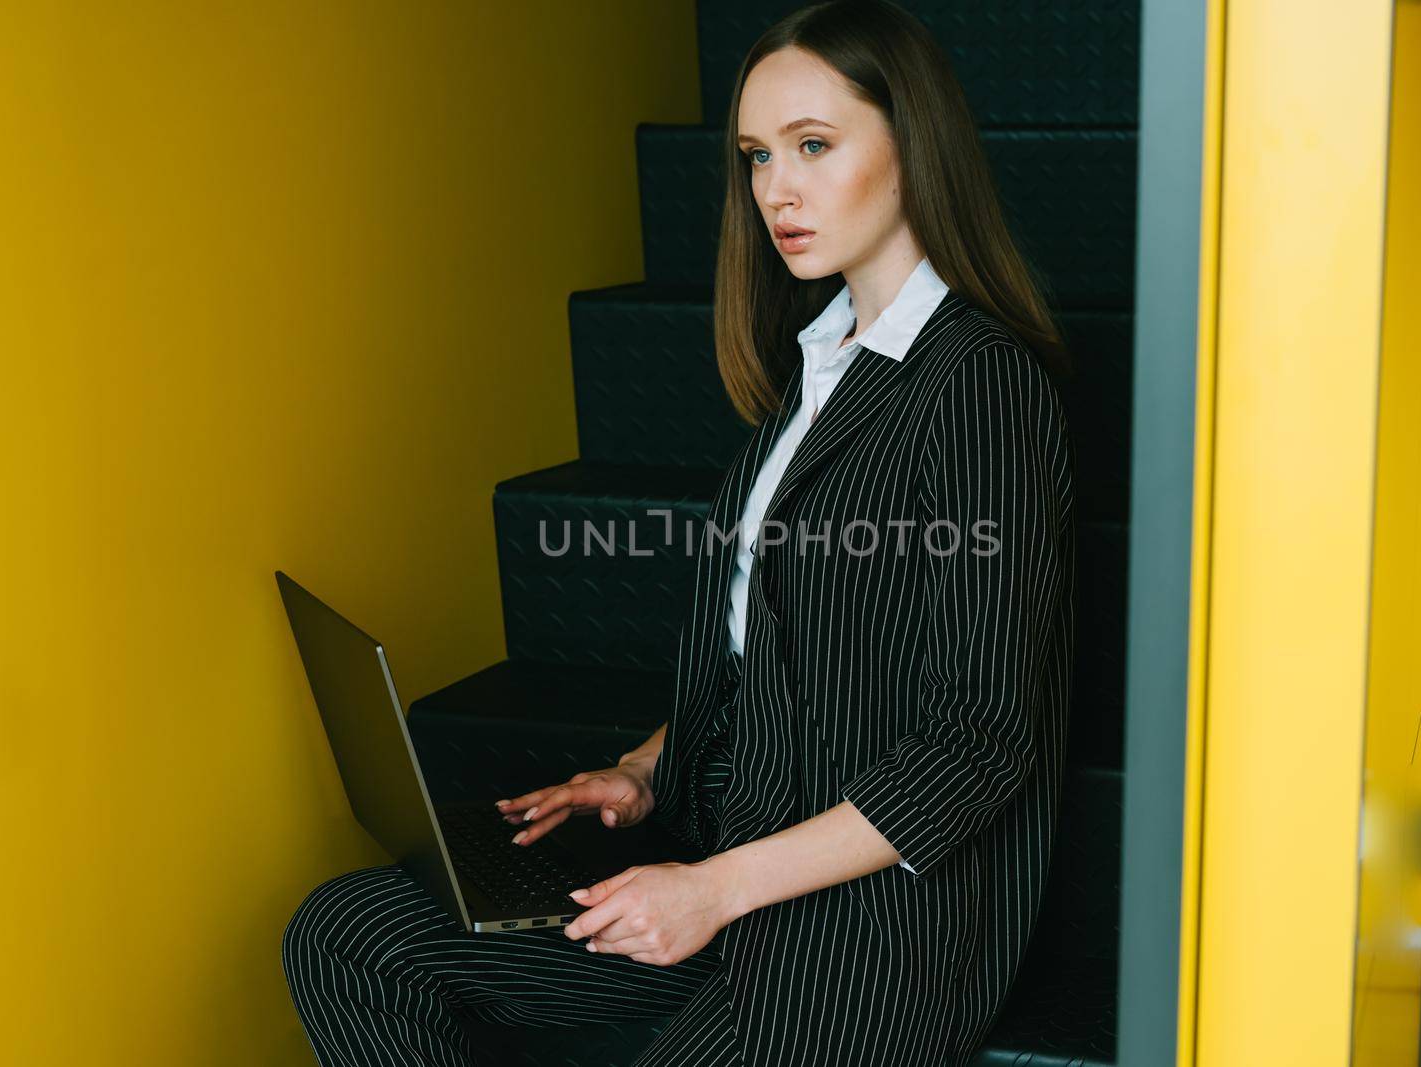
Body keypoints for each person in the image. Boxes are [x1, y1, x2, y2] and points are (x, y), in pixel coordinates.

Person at [281, 2, 1076, 1064]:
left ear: (914, 145)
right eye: (755, 156)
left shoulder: (980, 387)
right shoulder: (819, 361)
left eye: (812, 146)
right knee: (346, 935)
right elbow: (781, 645)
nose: (775, 191)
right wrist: (648, 768)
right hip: (726, 843)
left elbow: (977, 745)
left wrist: (711, 889)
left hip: (869, 920)